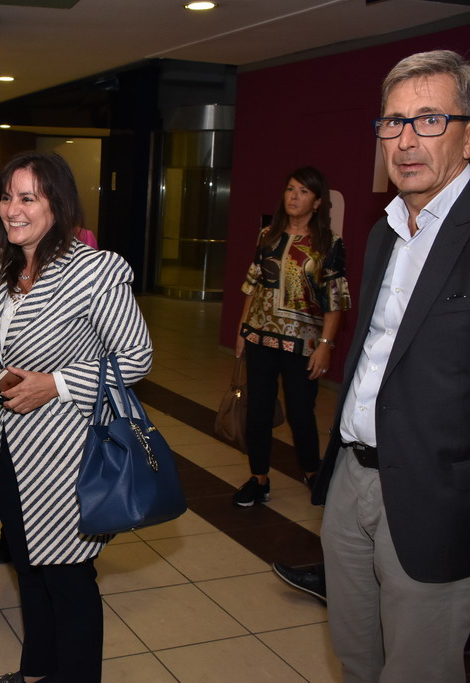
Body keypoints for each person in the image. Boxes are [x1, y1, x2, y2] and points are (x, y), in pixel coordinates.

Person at [312, 49, 470, 682]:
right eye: (393, 122)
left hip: (435, 497)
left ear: (467, 136)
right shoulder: (384, 232)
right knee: (356, 656)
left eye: (429, 119)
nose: (405, 140)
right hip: (352, 477)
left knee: (418, 669)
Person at [0, 152, 153, 683]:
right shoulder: (2, 272)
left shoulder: (95, 270)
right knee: (29, 569)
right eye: (7, 196)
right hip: (7, 452)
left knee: (68, 580)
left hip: (68, 458)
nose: (12, 210)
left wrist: (56, 384)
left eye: (28, 198)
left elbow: (136, 357)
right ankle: (35, 674)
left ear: (59, 204)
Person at [233, 166, 351, 506]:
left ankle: (312, 471)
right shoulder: (267, 235)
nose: (294, 197)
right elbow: (253, 284)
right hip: (260, 337)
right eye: (290, 189)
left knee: (301, 412)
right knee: (258, 410)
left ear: (318, 202)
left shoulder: (329, 243)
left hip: (304, 344)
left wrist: (325, 346)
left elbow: (335, 300)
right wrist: (242, 330)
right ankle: (259, 478)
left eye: (303, 191)